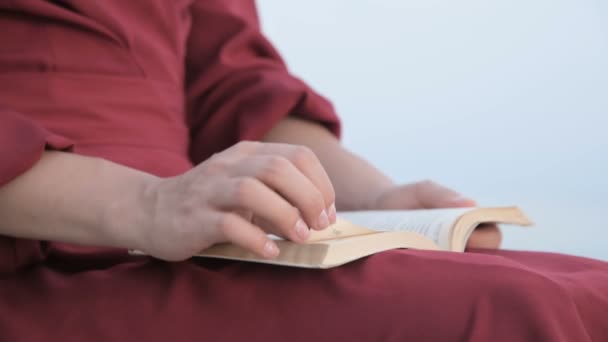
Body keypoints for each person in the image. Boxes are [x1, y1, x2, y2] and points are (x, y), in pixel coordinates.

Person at [0, 1, 606, 341]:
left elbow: (228, 82)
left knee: (589, 291)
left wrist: (377, 195)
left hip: (198, 230)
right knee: (507, 312)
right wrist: (147, 206)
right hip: (39, 242)